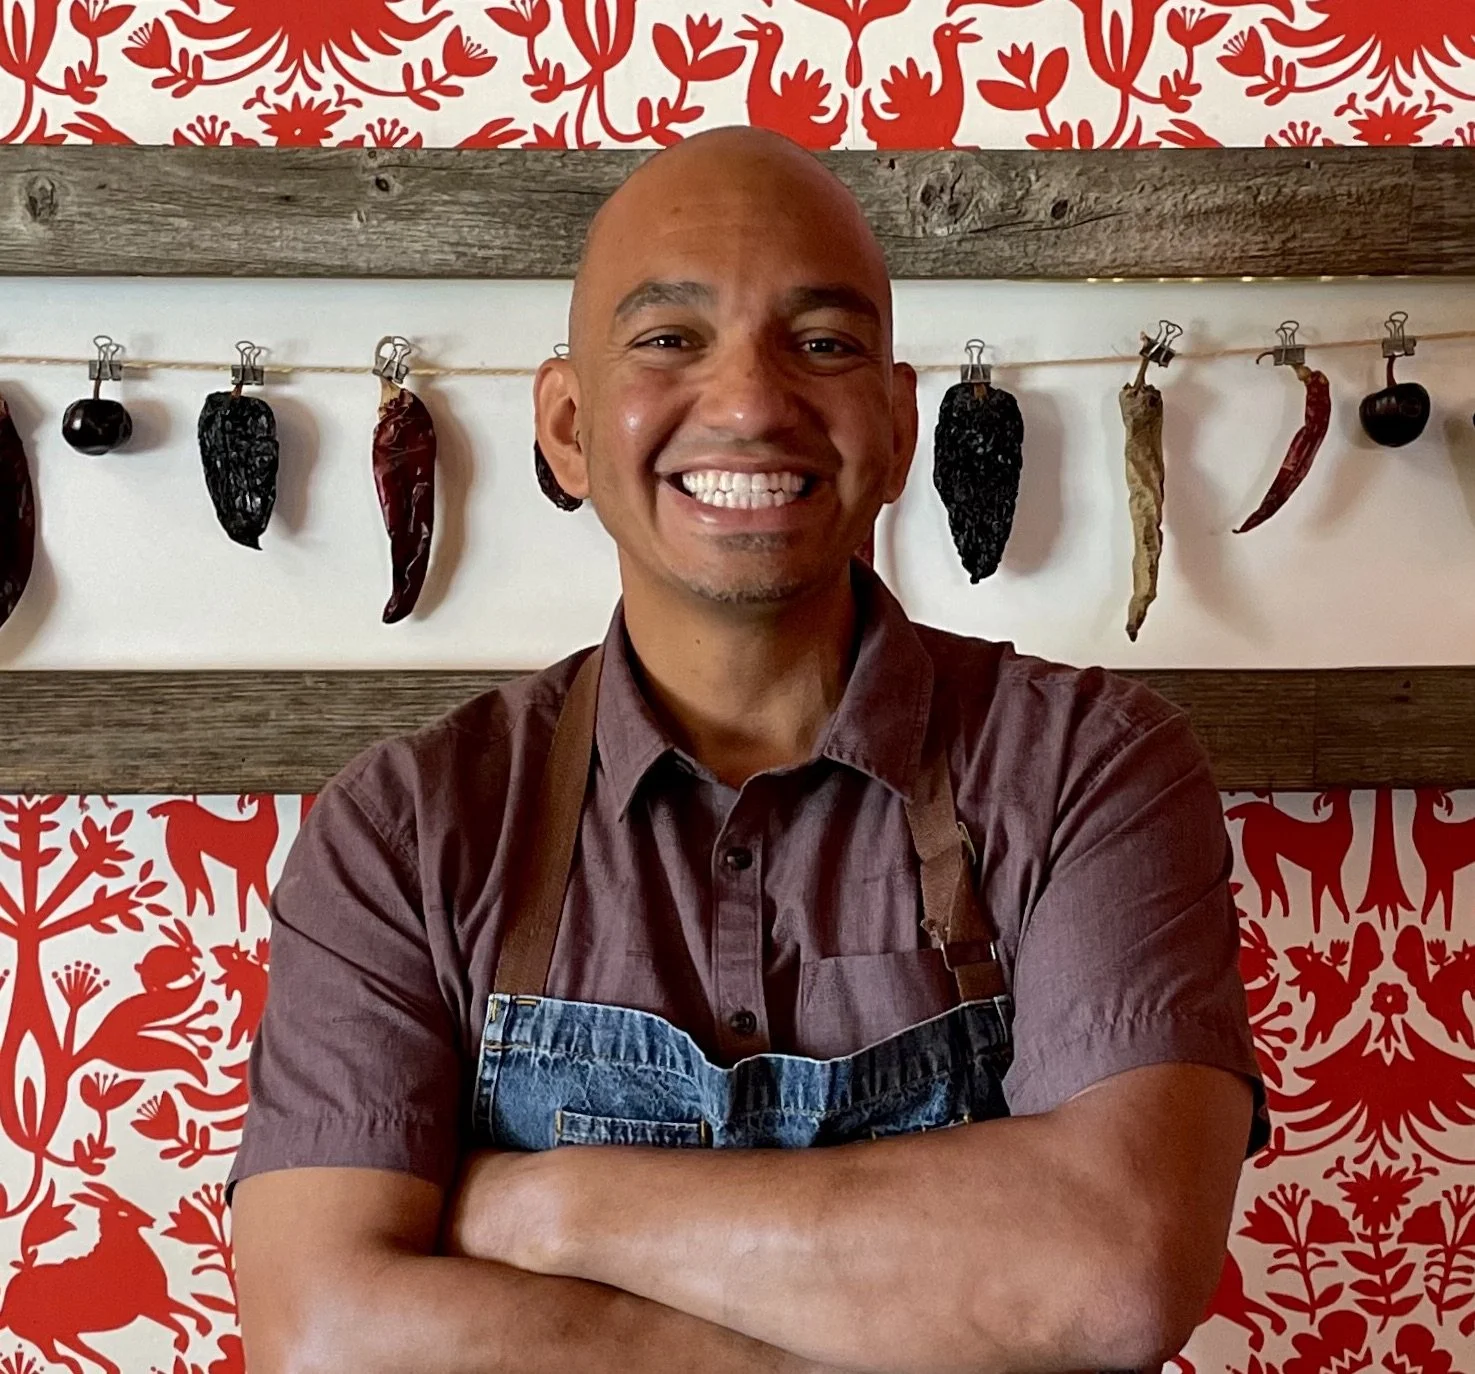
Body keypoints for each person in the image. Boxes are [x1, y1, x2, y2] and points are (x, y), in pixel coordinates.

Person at [228, 125, 1267, 1374]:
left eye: (821, 345)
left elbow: (1112, 1273)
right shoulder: (405, 827)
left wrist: (538, 1209)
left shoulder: (1089, 764)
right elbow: (326, 1334)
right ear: (564, 427)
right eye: (669, 339)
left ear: (892, 427)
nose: (748, 403)